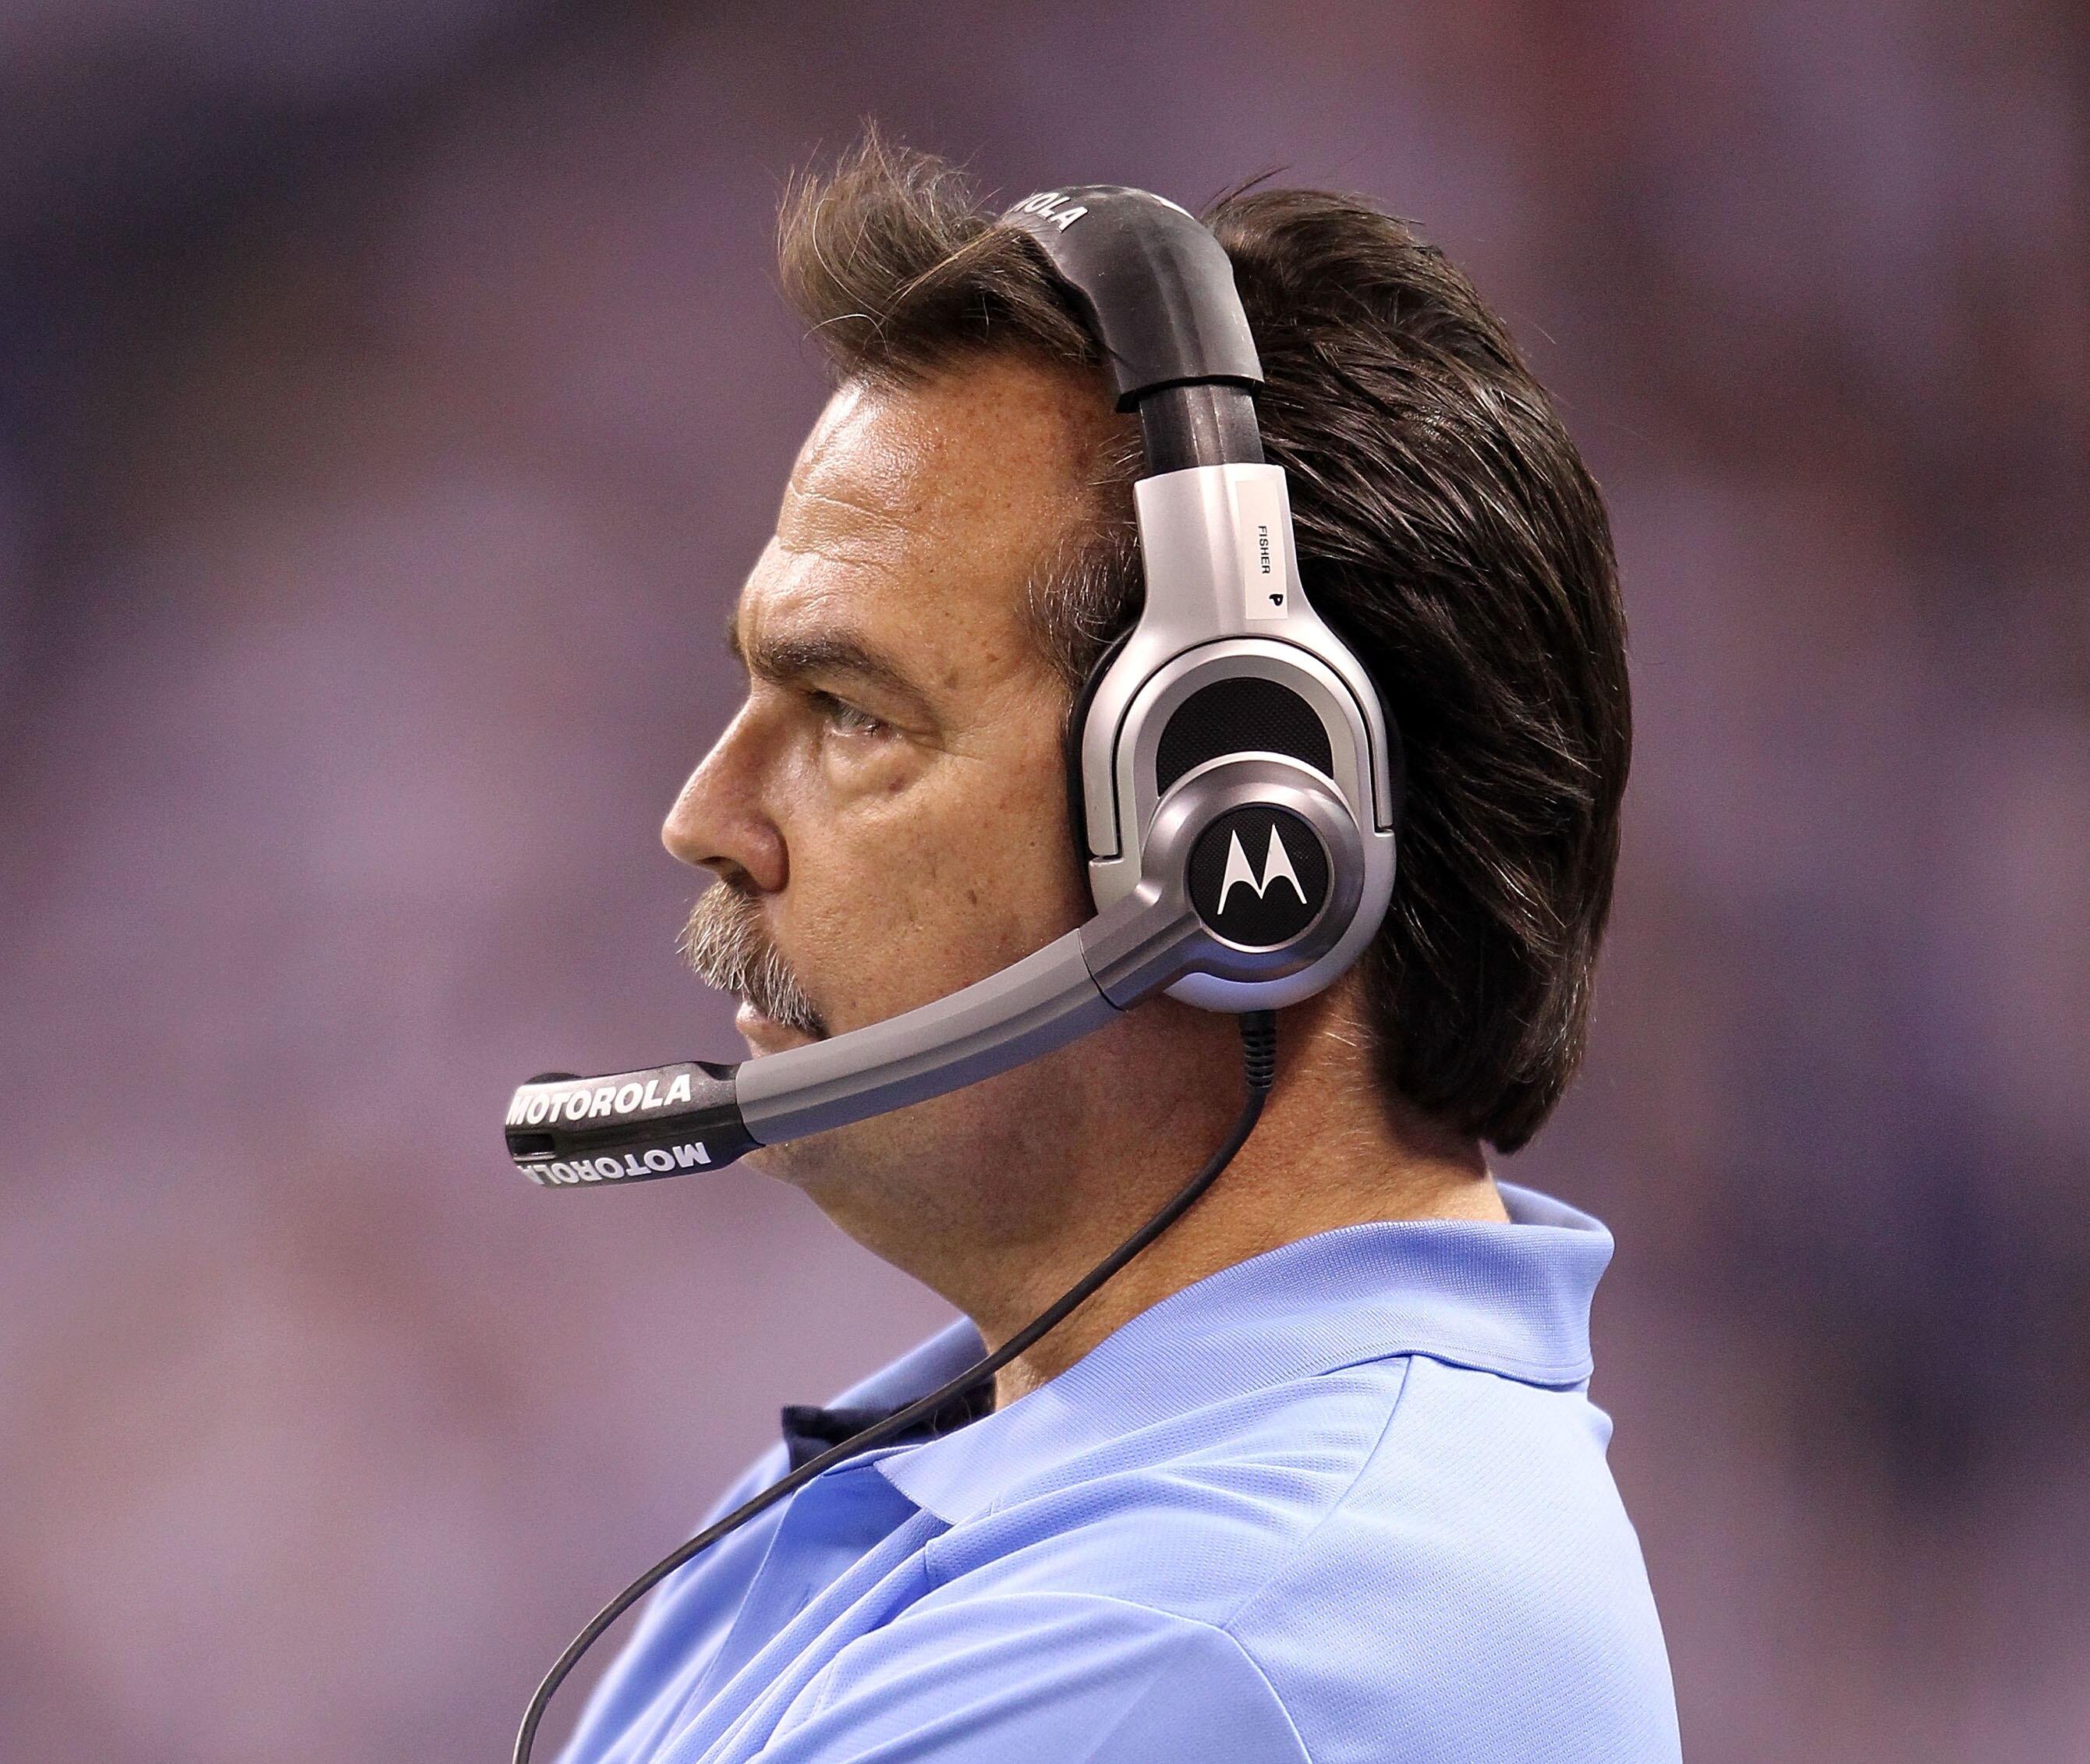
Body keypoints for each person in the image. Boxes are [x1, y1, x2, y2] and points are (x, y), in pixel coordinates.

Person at [552, 136, 1679, 1763]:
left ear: (1233, 849)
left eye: (855, 714)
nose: (705, 814)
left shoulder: (1199, 1646)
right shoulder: (922, 1487)